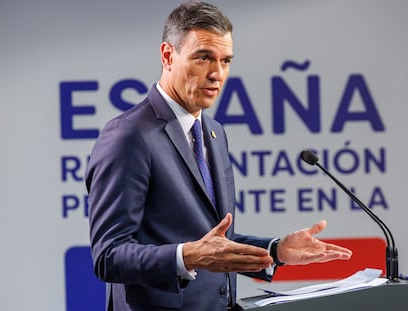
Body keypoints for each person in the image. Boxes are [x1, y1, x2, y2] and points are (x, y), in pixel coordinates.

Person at [85, 2, 352, 310]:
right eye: (203, 58)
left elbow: (214, 244)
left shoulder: (213, 132)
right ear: (168, 56)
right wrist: (188, 256)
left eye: (225, 61)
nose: (217, 74)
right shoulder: (129, 135)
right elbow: (109, 255)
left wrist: (275, 250)